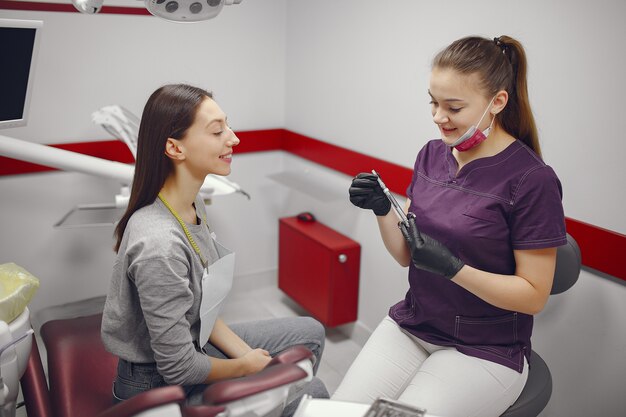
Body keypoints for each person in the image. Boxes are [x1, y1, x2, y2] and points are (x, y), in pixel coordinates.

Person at [335, 36, 566, 417]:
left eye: (453, 107)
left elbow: (534, 295)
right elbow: (406, 255)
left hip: (484, 347)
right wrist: (382, 209)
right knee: (343, 411)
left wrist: (454, 269)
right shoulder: (431, 154)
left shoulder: (531, 180)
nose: (438, 116)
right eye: (433, 101)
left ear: (497, 102)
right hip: (416, 322)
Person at [101, 83, 329, 415]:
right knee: (314, 391)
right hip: (157, 387)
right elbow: (178, 367)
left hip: (195, 341)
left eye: (228, 126)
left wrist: (249, 355)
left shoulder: (190, 204)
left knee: (310, 332)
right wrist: (246, 367)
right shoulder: (159, 244)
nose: (233, 138)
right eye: (217, 131)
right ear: (175, 148)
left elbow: (201, 308)